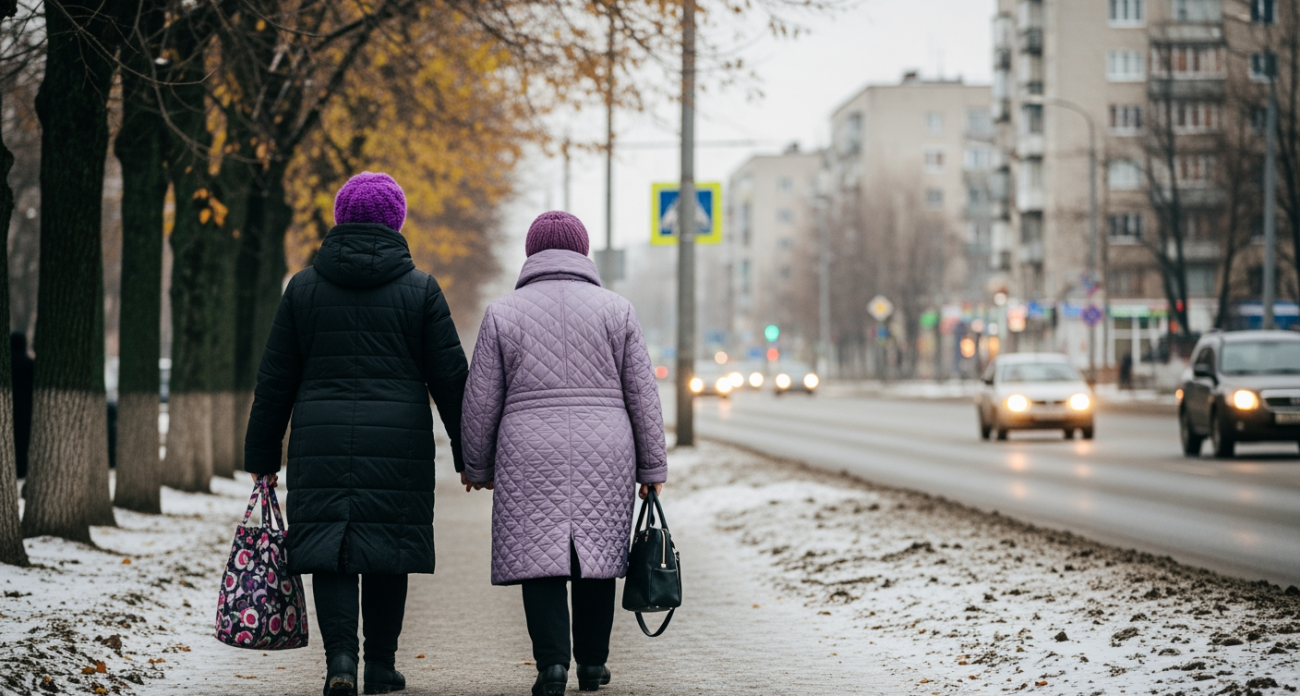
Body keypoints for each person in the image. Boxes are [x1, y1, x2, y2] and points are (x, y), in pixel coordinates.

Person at [243, 172, 468, 696]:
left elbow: (275, 379)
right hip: (398, 445)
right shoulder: (421, 290)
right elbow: (452, 381)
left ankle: (340, 661)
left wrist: (262, 454)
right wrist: (469, 453)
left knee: (330, 548)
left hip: (319, 440)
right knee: (388, 549)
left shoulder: (302, 288)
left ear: (340, 218)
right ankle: (381, 666)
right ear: (397, 221)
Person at [461, 211, 667, 696]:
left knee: (540, 559)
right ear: (583, 251)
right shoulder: (617, 310)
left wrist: (477, 464)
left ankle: (552, 666)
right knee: (596, 558)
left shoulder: (503, 312)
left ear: (531, 253)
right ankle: (593, 666)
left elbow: (481, 398)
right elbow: (643, 395)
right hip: (606, 448)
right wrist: (652, 465)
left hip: (528, 451)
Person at [11, 332, 33, 479]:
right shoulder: (29, 364)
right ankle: (22, 470)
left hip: (10, 407)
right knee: (24, 440)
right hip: (26, 409)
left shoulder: (7, 363)